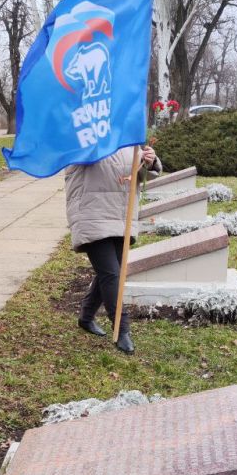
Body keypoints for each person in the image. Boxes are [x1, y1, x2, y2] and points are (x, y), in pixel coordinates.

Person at [65, 146, 161, 355]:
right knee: (111, 274)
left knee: (109, 272)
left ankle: (86, 317)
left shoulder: (129, 142)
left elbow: (139, 176)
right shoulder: (85, 137)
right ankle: (122, 328)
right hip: (92, 214)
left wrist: (149, 161)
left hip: (120, 215)